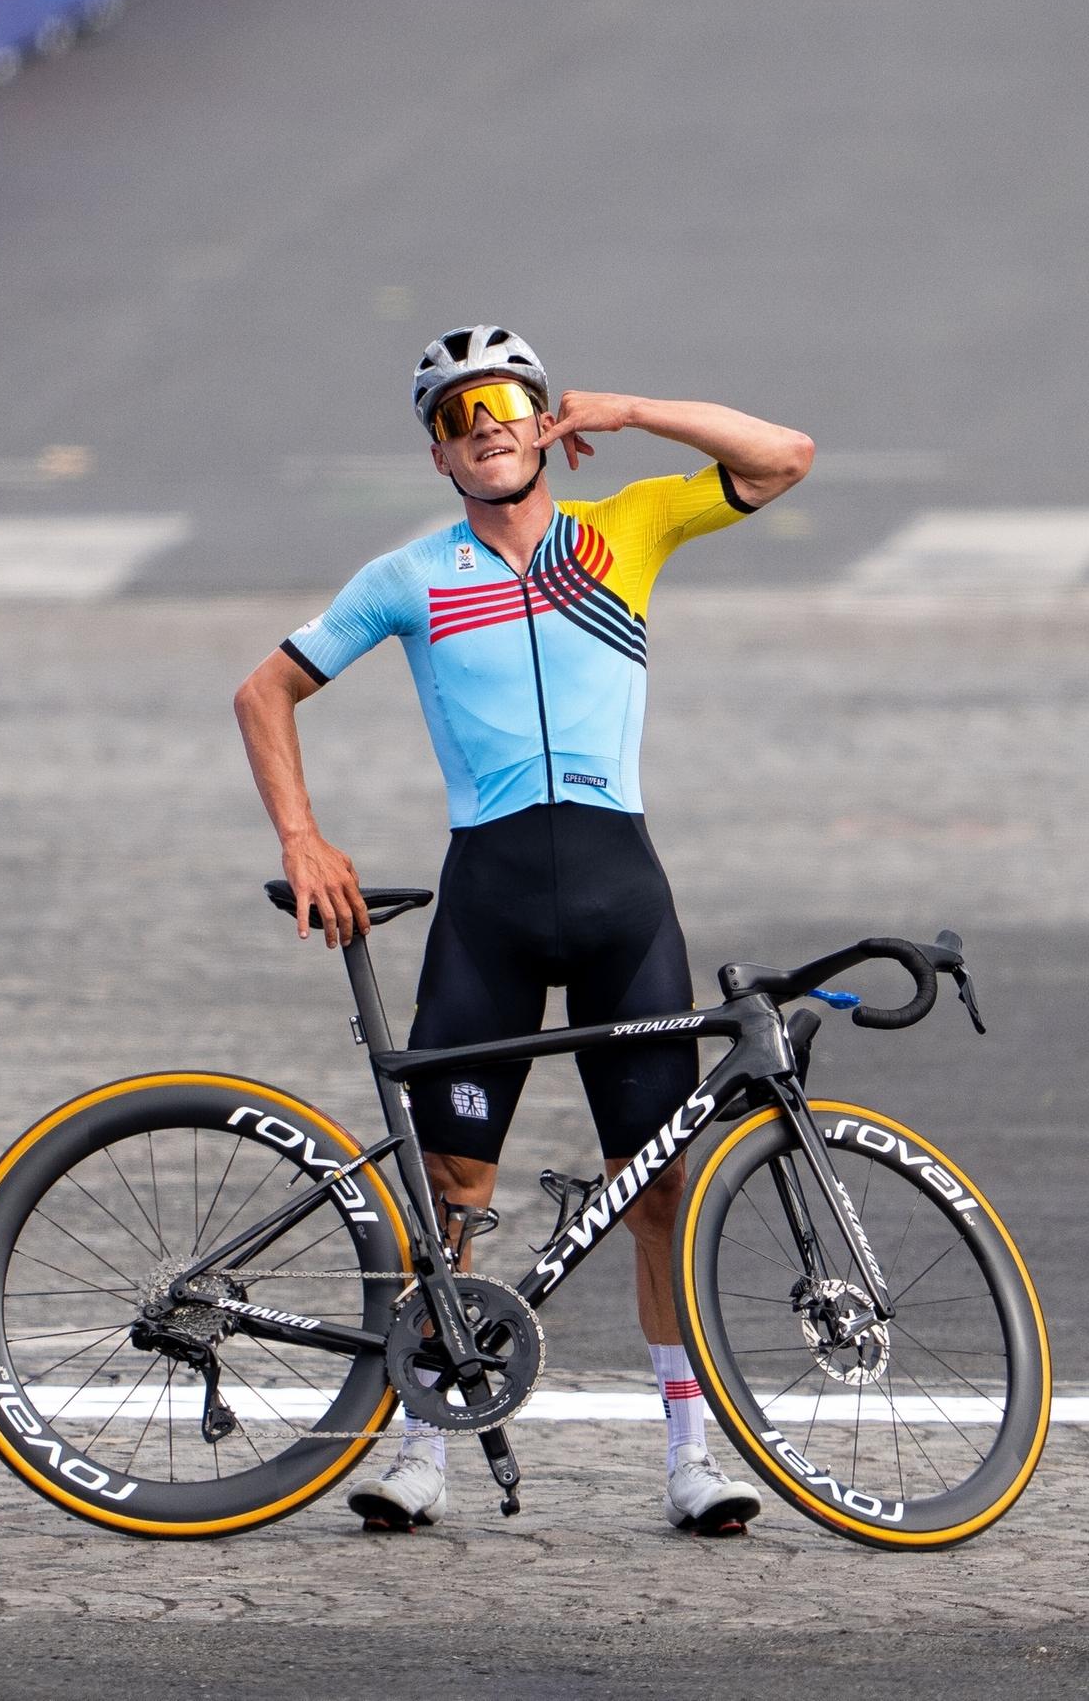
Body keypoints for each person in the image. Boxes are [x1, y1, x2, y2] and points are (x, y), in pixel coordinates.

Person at [231, 325, 813, 1537]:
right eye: (455, 416)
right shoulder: (409, 576)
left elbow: (785, 456)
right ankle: (421, 1450)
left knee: (659, 1189)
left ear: (544, 418)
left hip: (620, 900)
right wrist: (302, 837)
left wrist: (632, 407)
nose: (483, 425)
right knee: (453, 1189)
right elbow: (264, 689)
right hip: (488, 903)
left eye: (502, 400)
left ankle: (690, 1461)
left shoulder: (628, 528)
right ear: (438, 457)